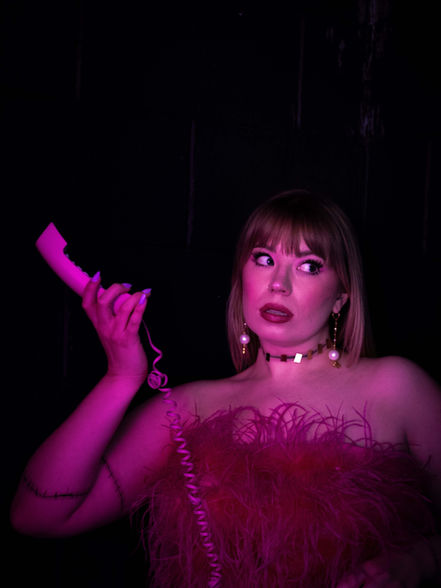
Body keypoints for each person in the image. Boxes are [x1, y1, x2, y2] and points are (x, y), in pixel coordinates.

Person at [10, 189, 441, 587]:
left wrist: (421, 560)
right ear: (242, 277)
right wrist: (120, 377)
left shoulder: (397, 387)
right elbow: (36, 516)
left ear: (341, 296)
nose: (279, 283)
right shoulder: (188, 409)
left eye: (309, 265)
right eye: (264, 258)